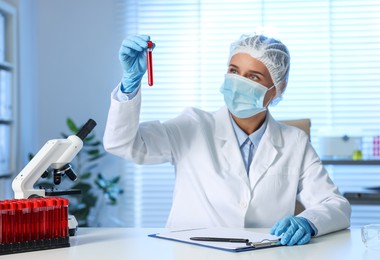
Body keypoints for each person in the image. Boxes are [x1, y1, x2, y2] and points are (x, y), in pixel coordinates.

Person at [103, 34, 351, 246]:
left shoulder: (294, 141)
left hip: (262, 253)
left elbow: (335, 204)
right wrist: (129, 87)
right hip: (191, 253)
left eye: (253, 77)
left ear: (278, 88)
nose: (239, 82)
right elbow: (124, 144)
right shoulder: (193, 125)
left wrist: (309, 221)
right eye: (234, 71)